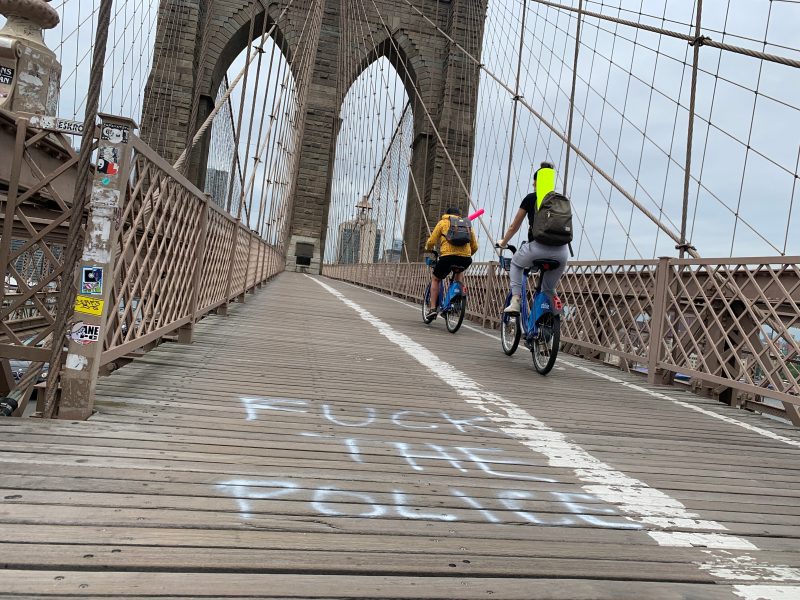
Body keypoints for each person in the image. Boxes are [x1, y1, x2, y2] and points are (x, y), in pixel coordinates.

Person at [495, 163, 569, 314]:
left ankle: (515, 300)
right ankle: (555, 315)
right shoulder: (560, 200)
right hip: (562, 253)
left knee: (515, 264)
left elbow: (513, 227)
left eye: (534, 181)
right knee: (548, 289)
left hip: (537, 248)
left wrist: (503, 242)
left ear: (536, 181)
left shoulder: (530, 198)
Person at [424, 207, 478, 318]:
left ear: (446, 214)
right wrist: (466, 255)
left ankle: (433, 308)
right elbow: (475, 246)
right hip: (465, 258)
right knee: (459, 270)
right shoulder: (467, 225)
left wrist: (428, 248)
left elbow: (432, 241)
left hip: (447, 257)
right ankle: (454, 300)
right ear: (459, 216)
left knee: (436, 279)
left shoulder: (443, 222)